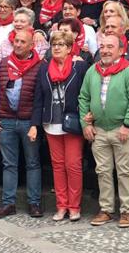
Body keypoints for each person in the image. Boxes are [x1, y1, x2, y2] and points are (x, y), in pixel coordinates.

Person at [79, 35, 129, 228]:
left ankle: (126, 211)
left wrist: (127, 124)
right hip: (99, 129)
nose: (106, 50)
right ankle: (106, 209)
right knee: (102, 171)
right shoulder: (93, 71)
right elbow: (83, 98)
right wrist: (86, 124)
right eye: (103, 47)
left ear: (120, 50)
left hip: (121, 129)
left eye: (110, 47)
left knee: (125, 171)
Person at [31, 31, 89, 221]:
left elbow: (86, 93)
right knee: (57, 166)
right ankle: (61, 206)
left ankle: (74, 206)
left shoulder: (79, 67)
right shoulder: (44, 68)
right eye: (54, 44)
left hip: (71, 123)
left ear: (70, 48)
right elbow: (38, 99)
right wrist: (34, 124)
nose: (56, 47)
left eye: (61, 44)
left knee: (72, 165)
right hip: (51, 122)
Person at [0, 30, 44, 219]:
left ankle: (34, 202)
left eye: (22, 42)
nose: (18, 44)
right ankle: (8, 203)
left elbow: (40, 98)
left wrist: (36, 124)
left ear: (31, 46)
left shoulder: (39, 65)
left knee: (33, 163)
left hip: (29, 120)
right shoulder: (4, 63)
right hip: (6, 120)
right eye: (16, 41)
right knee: (8, 164)